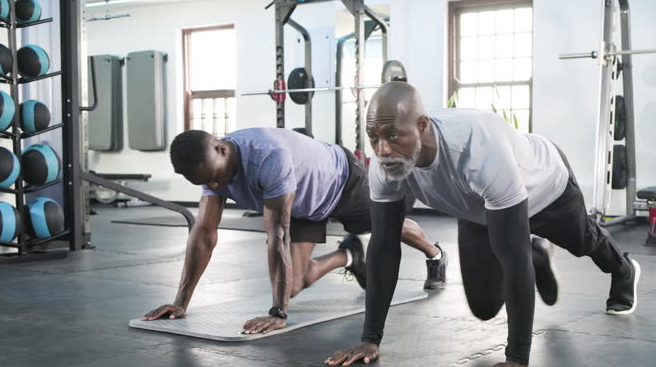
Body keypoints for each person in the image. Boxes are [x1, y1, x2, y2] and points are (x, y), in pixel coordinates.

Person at [325, 82, 639, 367]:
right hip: (478, 208)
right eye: (373, 137)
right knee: (485, 307)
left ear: (422, 126)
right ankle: (538, 255)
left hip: (545, 188)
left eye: (392, 136)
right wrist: (369, 339)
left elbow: (512, 257)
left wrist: (517, 359)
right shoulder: (386, 164)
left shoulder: (477, 148)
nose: (382, 149)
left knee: (583, 240)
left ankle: (623, 269)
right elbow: (383, 247)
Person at [140, 128, 448, 334]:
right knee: (292, 285)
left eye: (215, 178)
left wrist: (278, 312)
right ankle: (350, 256)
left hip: (341, 182)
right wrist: (181, 301)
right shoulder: (212, 171)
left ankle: (436, 255)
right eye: (208, 184)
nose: (217, 187)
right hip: (300, 205)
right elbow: (205, 233)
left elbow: (278, 235)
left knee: (389, 226)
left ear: (221, 149)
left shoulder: (268, 157)